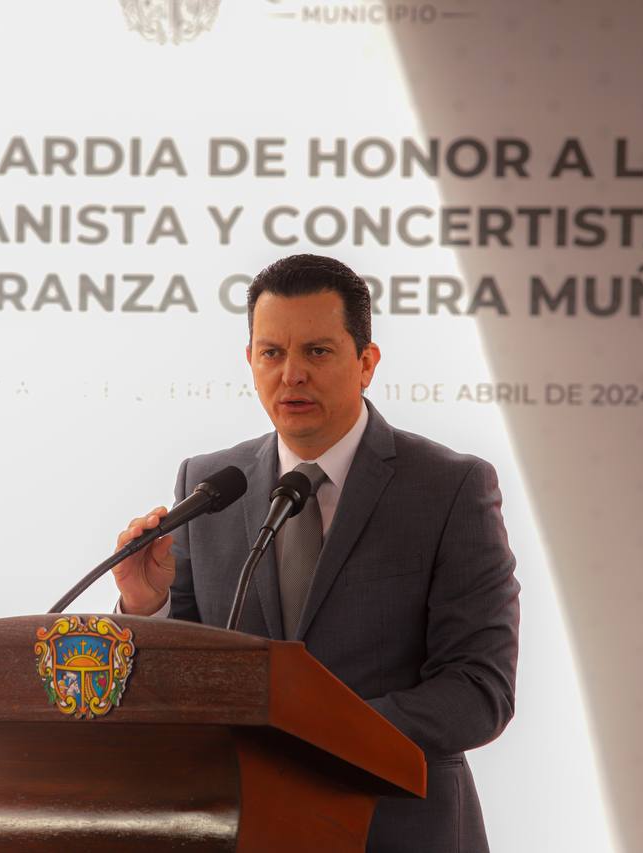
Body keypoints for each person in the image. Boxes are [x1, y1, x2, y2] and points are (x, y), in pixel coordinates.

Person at [111, 253, 519, 853]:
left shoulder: (449, 487)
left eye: (318, 351)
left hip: (397, 830)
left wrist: (316, 729)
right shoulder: (209, 487)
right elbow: (182, 677)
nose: (292, 374)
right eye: (272, 353)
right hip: (240, 829)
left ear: (366, 363)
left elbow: (480, 690)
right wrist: (148, 607)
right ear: (250, 362)